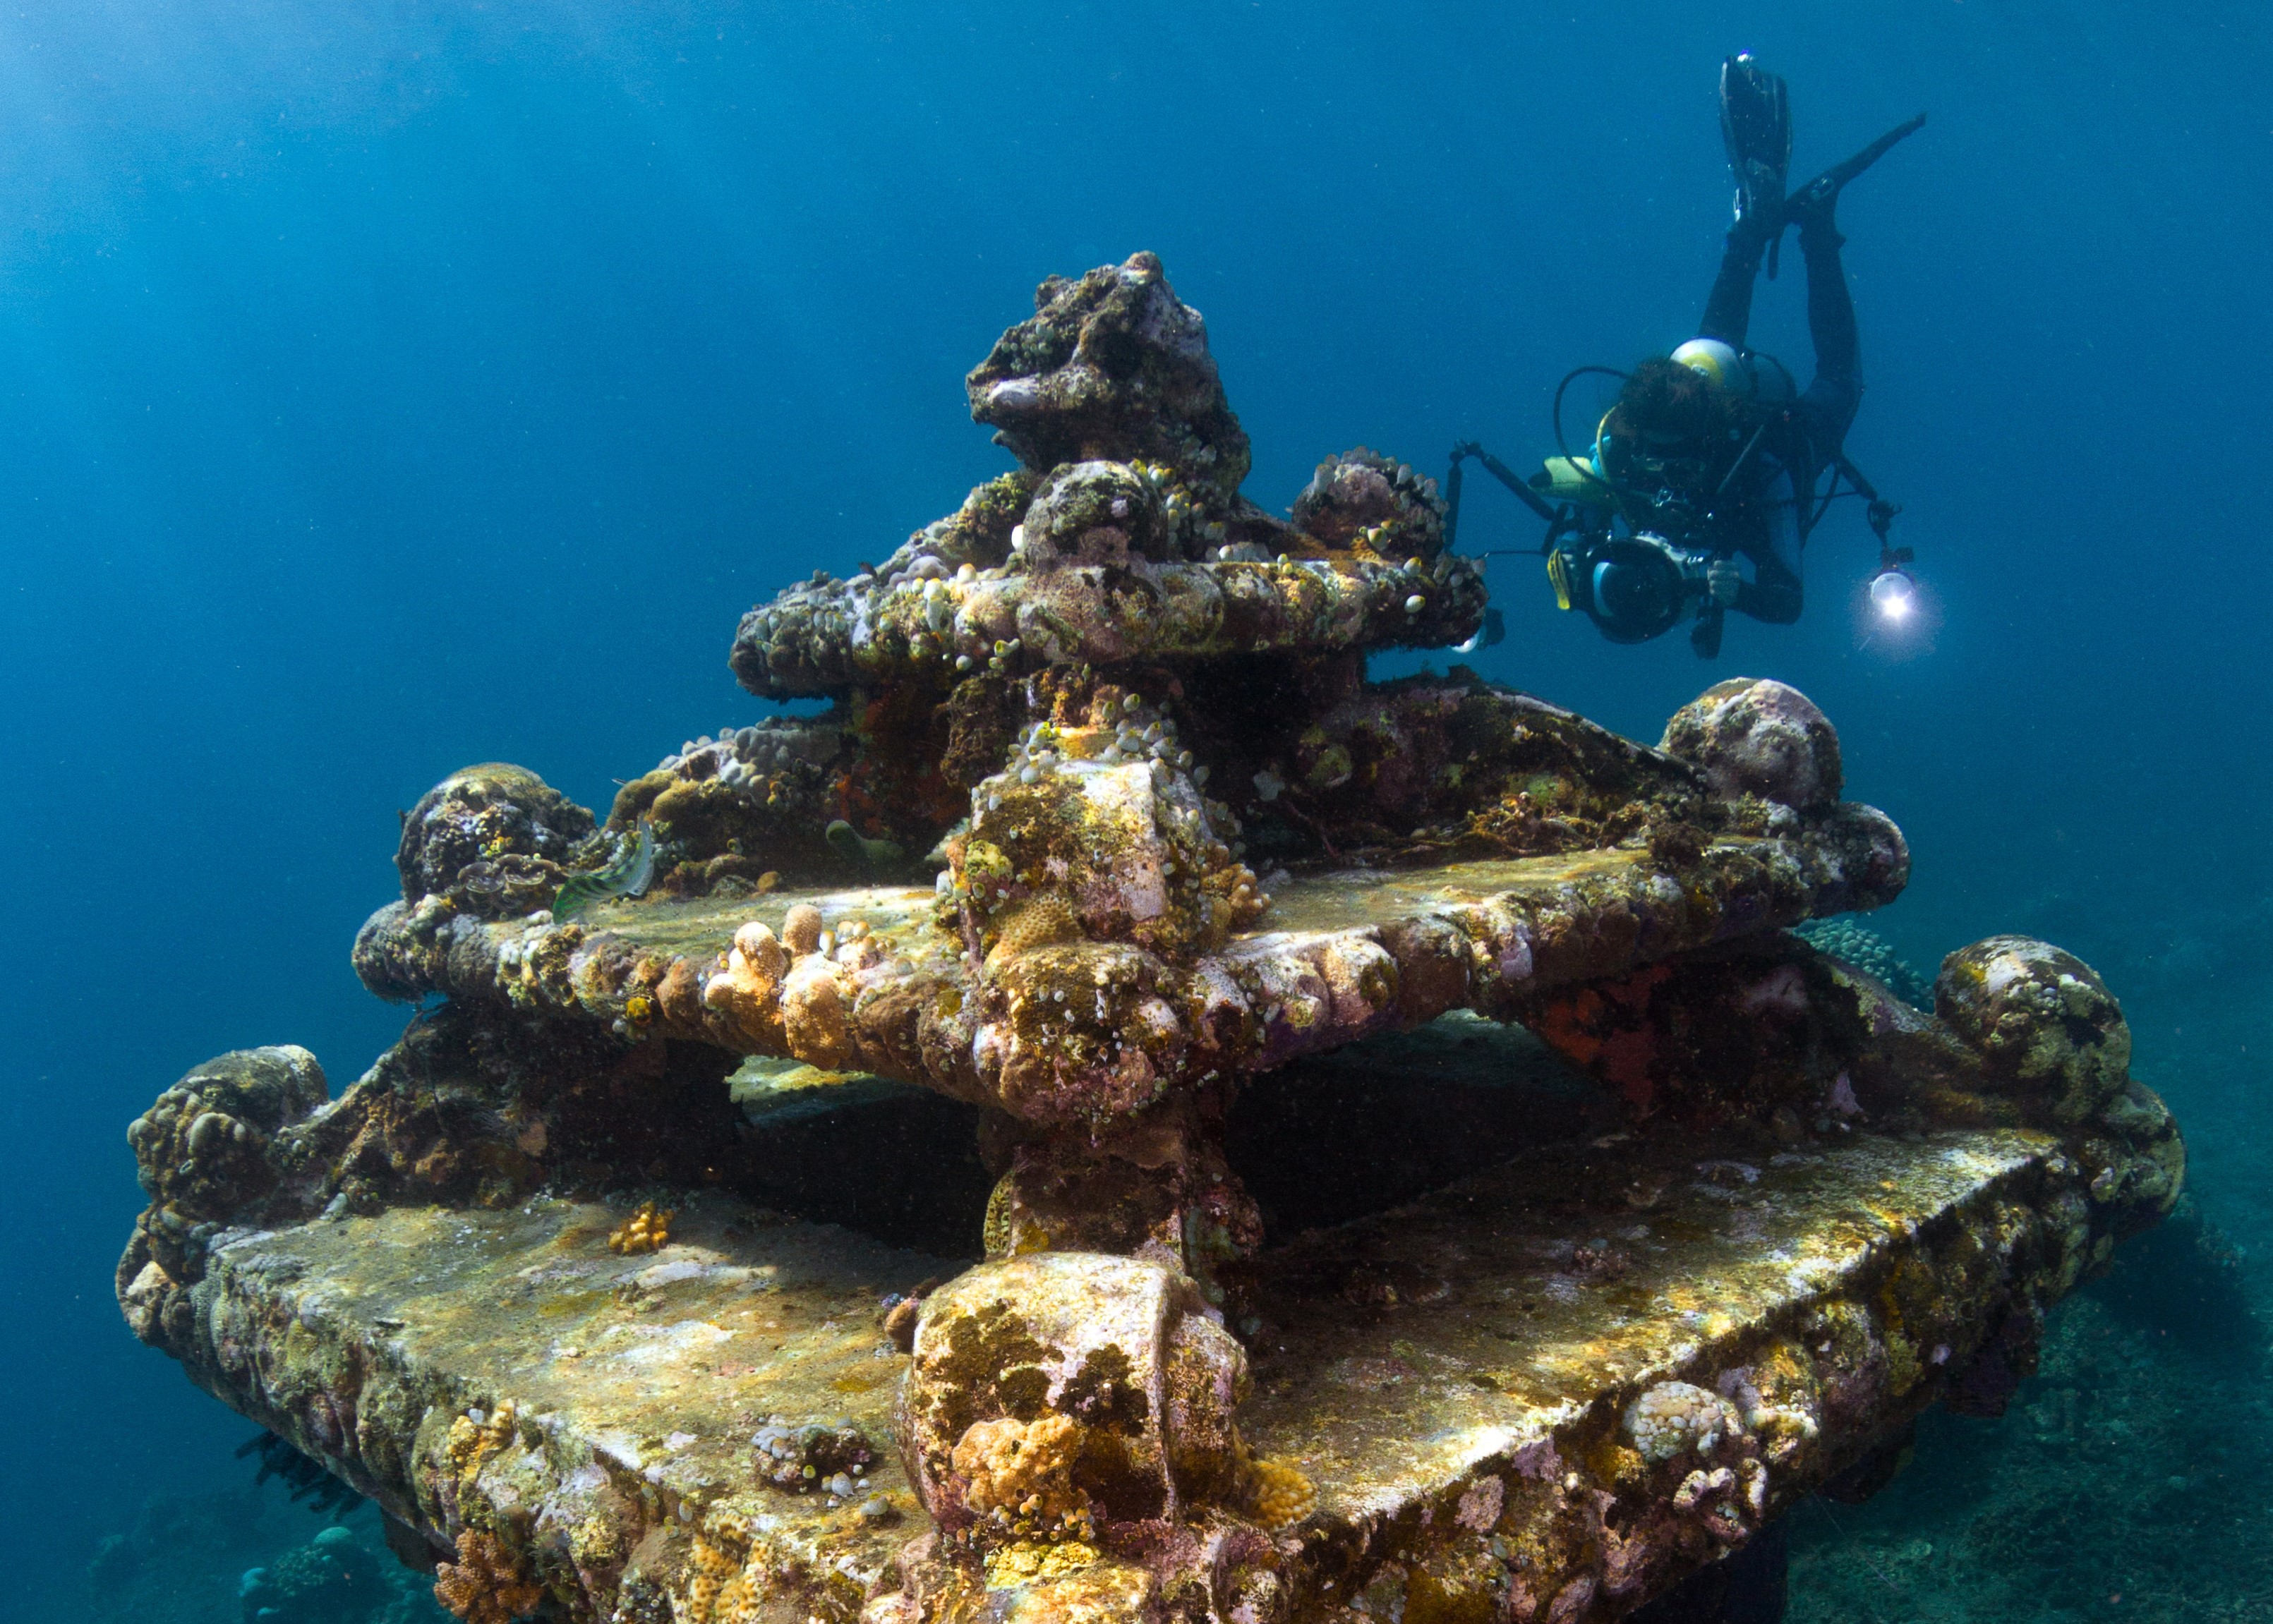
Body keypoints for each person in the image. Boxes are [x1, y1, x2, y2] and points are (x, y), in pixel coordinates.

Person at [1527, 57, 1918, 655]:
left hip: (1781, 433)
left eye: (1677, 463)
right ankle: (1767, 224)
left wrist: (1577, 547)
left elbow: (1789, 603)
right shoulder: (1622, 453)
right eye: (1659, 461)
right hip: (1719, 404)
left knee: (1835, 380)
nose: (1667, 480)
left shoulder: (1755, 468)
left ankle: (1798, 229)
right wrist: (1578, 557)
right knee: (1704, 359)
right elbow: (1781, 601)